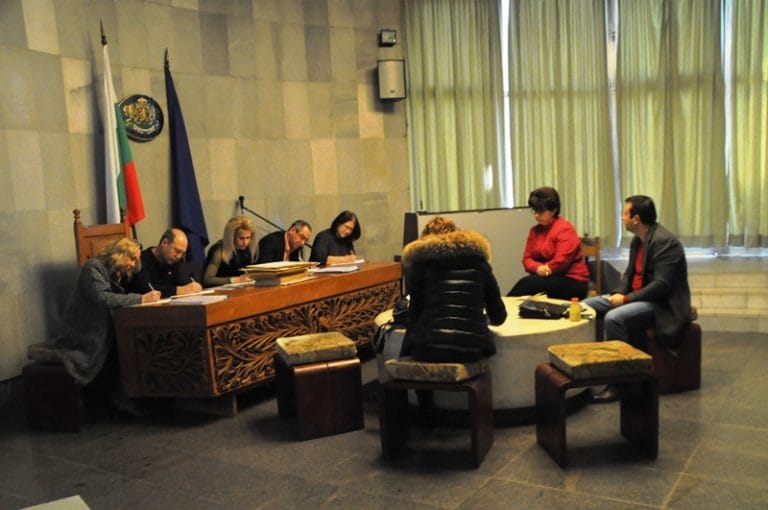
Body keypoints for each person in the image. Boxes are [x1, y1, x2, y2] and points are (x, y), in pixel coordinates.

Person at [584, 195, 692, 402]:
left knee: (614, 318)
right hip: (637, 297)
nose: (621, 217)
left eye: (625, 213)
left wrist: (626, 300)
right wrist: (619, 293)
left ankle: (619, 384)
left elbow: (662, 286)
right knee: (585, 306)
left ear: (636, 219)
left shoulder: (665, 242)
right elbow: (629, 274)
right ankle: (590, 369)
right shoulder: (638, 240)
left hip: (661, 303)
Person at [48, 238, 161, 411]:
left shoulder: (116, 271)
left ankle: (136, 397)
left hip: (105, 328)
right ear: (119, 253)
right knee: (126, 348)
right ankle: (120, 400)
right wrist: (141, 299)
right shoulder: (93, 267)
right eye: (131, 258)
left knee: (138, 344)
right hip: (85, 331)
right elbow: (103, 298)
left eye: (136, 260)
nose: (133, 264)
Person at [399, 216, 507, 363]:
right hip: (471, 349)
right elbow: (499, 316)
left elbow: (414, 316)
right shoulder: (479, 263)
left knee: (420, 352)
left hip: (428, 348)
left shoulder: (420, 266)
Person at [508, 187, 590, 300]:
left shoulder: (565, 229)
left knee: (529, 283)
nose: (536, 215)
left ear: (554, 210)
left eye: (541, 211)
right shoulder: (534, 231)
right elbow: (527, 259)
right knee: (530, 284)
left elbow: (561, 262)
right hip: (546, 277)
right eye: (534, 210)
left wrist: (546, 269)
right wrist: (538, 268)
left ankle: (504, 307)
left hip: (573, 280)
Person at [126, 228, 202, 297]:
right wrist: (176, 290)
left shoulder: (174, 262)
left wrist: (192, 287)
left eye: (182, 254)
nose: (179, 256)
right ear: (164, 243)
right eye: (177, 251)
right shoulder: (141, 260)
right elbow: (146, 289)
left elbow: (180, 283)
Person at [203, 216, 259, 287]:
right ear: (231, 236)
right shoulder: (219, 250)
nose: (245, 242)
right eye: (241, 238)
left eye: (248, 238)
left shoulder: (250, 248)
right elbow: (207, 279)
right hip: (220, 290)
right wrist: (234, 280)